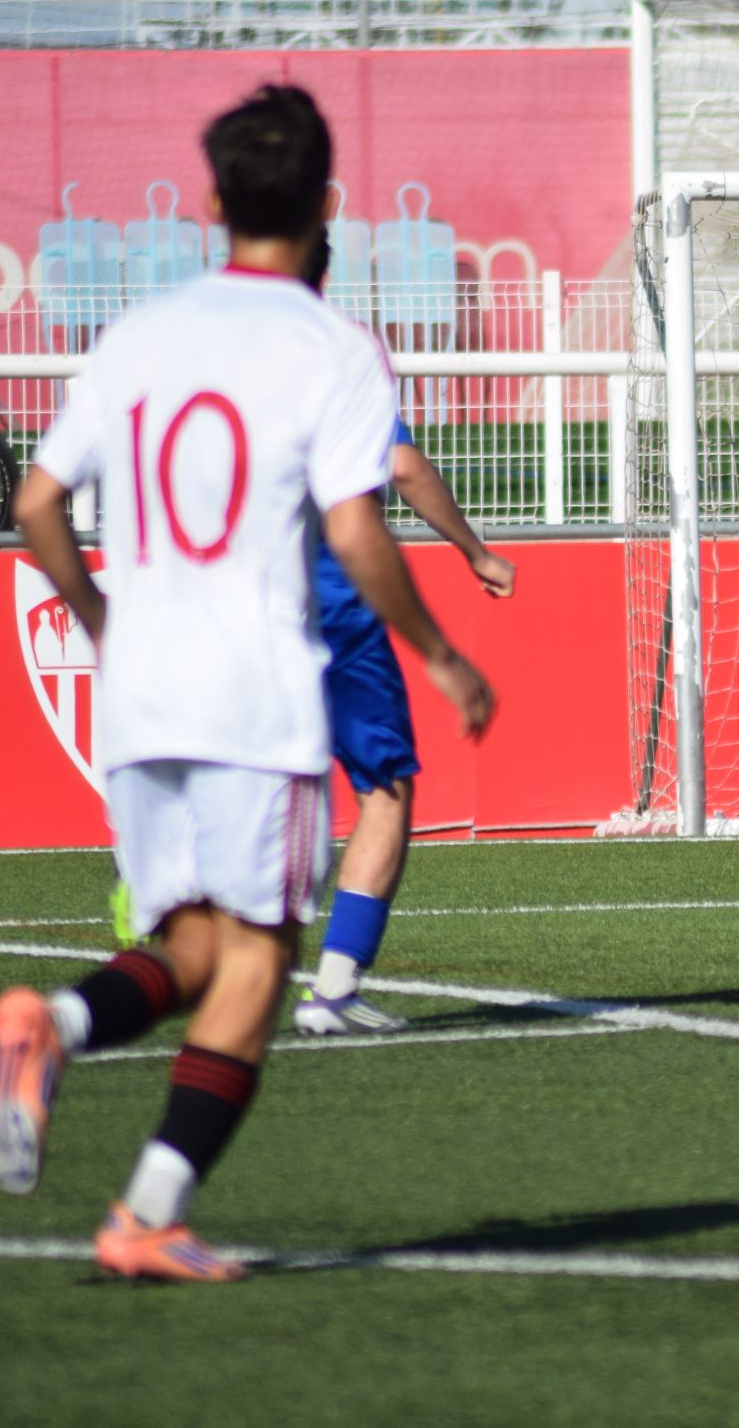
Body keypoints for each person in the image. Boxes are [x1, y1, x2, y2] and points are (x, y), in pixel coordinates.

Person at [0, 85, 496, 1282]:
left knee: (203, 951)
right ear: (325, 207)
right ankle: (143, 1205)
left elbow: (35, 504)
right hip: (256, 690)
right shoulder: (329, 346)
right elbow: (359, 532)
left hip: (141, 692)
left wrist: (102, 615)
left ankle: (53, 1029)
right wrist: (441, 649)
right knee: (260, 961)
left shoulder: (141, 333)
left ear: (209, 203)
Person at [290, 231, 516, 1036]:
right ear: (322, 267)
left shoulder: (207, 348)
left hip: (235, 600)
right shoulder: (340, 352)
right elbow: (406, 468)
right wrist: (475, 549)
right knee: (382, 790)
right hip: (334, 600)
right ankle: (334, 989)